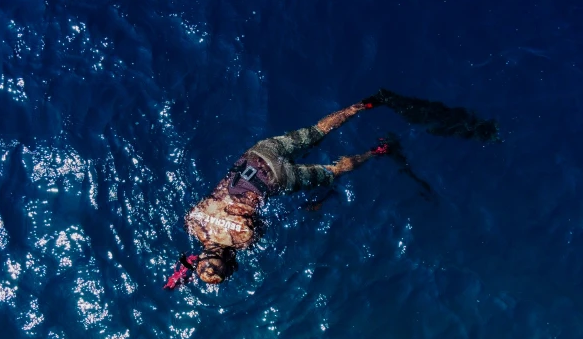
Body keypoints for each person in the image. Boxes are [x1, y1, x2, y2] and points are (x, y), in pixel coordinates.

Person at [164, 89, 500, 289]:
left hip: (278, 180)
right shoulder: (192, 220)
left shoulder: (244, 241)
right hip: (256, 156)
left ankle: (376, 151)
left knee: (331, 172)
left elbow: (268, 219)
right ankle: (363, 105)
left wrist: (311, 205)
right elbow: (213, 233)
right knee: (315, 132)